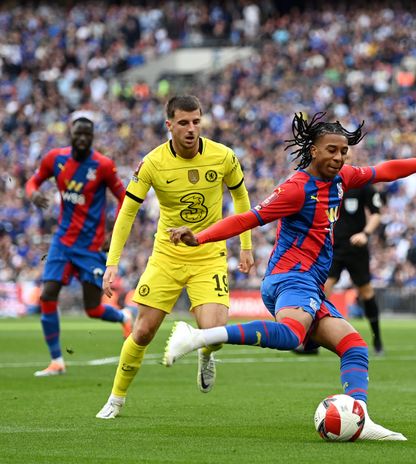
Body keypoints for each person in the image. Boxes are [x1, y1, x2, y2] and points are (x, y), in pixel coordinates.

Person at [162, 112, 416, 440]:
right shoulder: (296, 189)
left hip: (309, 283)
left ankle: (360, 417)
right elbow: (248, 218)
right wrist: (200, 237)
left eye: (343, 151)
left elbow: (386, 170)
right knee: (291, 335)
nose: (339, 157)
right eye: (331, 150)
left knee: (354, 346)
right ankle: (197, 337)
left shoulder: (342, 179)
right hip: (291, 277)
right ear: (313, 150)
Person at [95, 96, 254, 419]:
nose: (191, 129)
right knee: (143, 332)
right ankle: (116, 399)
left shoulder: (223, 156)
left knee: (216, 333)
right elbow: (127, 212)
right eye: (183, 123)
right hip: (167, 256)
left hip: (209, 255)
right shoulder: (153, 163)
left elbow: (241, 195)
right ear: (169, 125)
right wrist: (112, 262)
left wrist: (246, 245)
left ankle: (206, 353)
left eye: (196, 121)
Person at [25, 115, 132, 377]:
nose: (82, 138)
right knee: (47, 294)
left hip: (91, 246)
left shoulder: (103, 165)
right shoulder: (55, 159)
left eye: (87, 134)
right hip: (62, 242)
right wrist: (33, 194)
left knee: (92, 309)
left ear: (92, 138)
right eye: (78, 134)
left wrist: (114, 232)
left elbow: (125, 198)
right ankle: (57, 361)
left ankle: (123, 317)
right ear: (71, 134)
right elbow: (33, 182)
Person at [324, 180, 385, 354]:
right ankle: (310, 340)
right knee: (323, 291)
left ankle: (377, 339)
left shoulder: (363, 185)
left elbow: (376, 214)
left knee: (366, 291)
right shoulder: (326, 183)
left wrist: (365, 233)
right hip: (332, 247)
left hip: (356, 247)